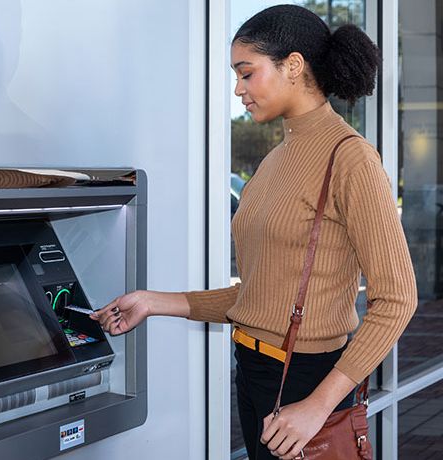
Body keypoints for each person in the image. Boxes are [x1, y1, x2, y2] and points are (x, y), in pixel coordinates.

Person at [91, 5, 417, 460]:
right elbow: (262, 297)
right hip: (253, 372)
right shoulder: (274, 161)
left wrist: (318, 406)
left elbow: (398, 298)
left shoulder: (350, 158)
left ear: (294, 66)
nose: (238, 90)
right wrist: (153, 302)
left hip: (308, 381)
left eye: (247, 73)